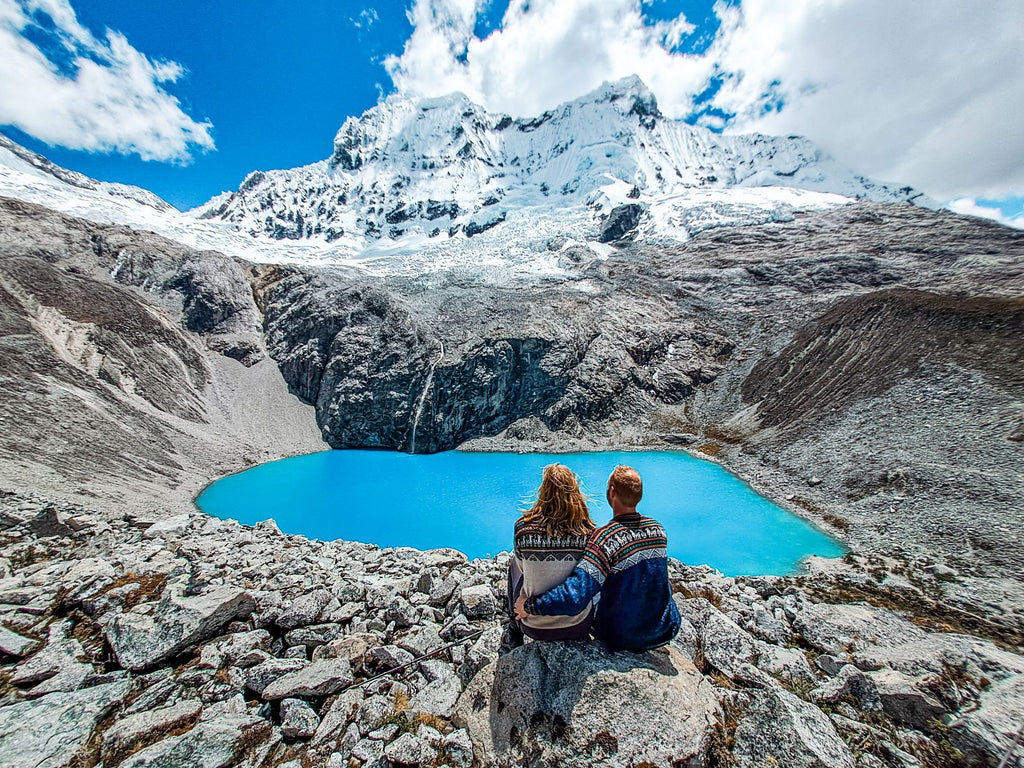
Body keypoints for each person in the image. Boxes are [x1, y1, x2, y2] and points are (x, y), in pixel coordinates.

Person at [515, 465, 680, 653]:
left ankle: (512, 633)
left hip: (623, 636)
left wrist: (529, 605)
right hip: (666, 629)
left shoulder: (605, 539)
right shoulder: (658, 530)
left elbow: (575, 595)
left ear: (611, 492)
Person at [504, 463, 596, 649]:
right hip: (578, 626)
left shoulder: (523, 529)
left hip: (533, 627)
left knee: (514, 566)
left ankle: (513, 630)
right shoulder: (589, 533)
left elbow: (523, 568)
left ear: (543, 492)